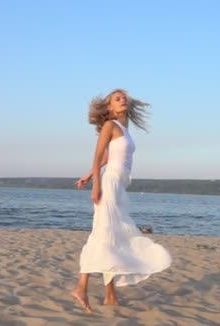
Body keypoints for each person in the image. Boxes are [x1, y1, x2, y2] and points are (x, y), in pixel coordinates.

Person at [71, 89, 172, 313]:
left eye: (124, 97)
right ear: (109, 107)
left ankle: (110, 296)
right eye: (117, 99)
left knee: (111, 236)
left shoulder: (123, 129)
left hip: (119, 186)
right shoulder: (110, 126)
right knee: (103, 234)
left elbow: (108, 156)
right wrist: (96, 185)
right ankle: (81, 287)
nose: (123, 99)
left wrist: (87, 176)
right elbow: (97, 156)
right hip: (109, 184)